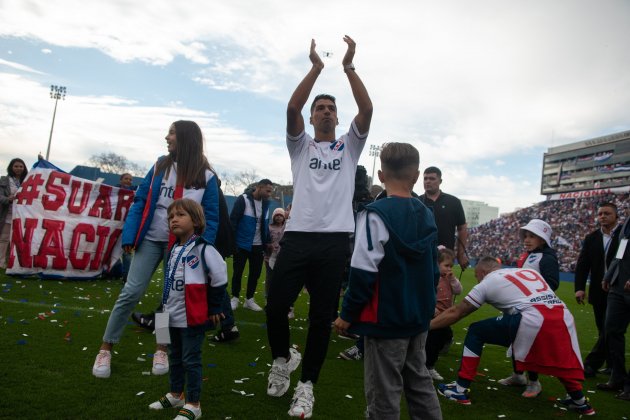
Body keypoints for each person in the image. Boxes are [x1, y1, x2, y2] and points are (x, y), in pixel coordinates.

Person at [265, 35, 373, 419]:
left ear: (337, 118)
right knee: (276, 306)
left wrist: (348, 66)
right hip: (297, 239)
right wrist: (316, 66)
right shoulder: (301, 146)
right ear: (312, 118)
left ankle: (307, 386)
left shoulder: (350, 146)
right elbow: (292, 105)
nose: (326, 112)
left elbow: (367, 107)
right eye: (320, 108)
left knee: (320, 319)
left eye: (331, 108)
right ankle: (282, 360)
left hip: (333, 243)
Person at [92, 120, 220, 379]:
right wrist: (130, 234)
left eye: (172, 133)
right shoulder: (160, 165)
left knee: (169, 299)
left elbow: (212, 217)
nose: (167, 137)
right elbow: (141, 199)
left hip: (183, 246)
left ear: (185, 138)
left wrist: (202, 252)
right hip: (151, 239)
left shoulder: (207, 177)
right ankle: (106, 348)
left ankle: (161, 347)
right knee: (131, 291)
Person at [334, 142, 442, 420]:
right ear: (416, 176)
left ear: (381, 176)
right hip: (418, 315)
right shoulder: (427, 213)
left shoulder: (374, 214)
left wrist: (347, 314)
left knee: (384, 390)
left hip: (386, 318)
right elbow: (433, 270)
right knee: (419, 382)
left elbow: (362, 271)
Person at [433, 257, 594, 416]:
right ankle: (580, 402)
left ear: (482, 272)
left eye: (476, 276)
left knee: (476, 331)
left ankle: (460, 389)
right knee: (557, 356)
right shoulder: (528, 272)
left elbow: (457, 312)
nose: (477, 280)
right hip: (562, 318)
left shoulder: (488, 281)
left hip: (532, 318)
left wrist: (427, 327)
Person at [148, 199, 227, 420]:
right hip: (167, 314)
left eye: (180, 215)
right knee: (173, 356)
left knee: (190, 359)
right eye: (171, 216)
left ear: (196, 219)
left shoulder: (204, 248)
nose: (174, 219)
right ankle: (176, 394)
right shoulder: (173, 248)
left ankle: (193, 403)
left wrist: (215, 307)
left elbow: (219, 278)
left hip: (191, 317)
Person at [498, 218, 560, 397]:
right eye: (526, 235)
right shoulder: (527, 255)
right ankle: (518, 376)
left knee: (530, 344)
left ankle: (534, 382)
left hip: (536, 309)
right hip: (521, 306)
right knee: (517, 340)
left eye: (532, 236)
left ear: (543, 239)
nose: (527, 239)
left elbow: (552, 283)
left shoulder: (547, 258)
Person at [575, 202, 620, 377]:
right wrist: (579, 288)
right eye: (600, 213)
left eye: (607, 213)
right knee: (603, 328)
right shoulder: (591, 238)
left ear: (616, 216)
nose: (603, 216)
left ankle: (591, 365)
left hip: (619, 289)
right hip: (598, 290)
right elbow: (582, 265)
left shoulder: (625, 236)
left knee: (610, 327)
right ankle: (611, 366)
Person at [229, 178, 273, 311]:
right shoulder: (243, 199)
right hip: (242, 244)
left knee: (255, 273)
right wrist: (232, 242)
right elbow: (233, 221)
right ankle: (235, 298)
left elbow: (265, 225)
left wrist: (268, 242)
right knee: (238, 272)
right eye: (268, 191)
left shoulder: (266, 205)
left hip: (258, 246)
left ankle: (249, 299)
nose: (269, 194)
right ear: (259, 187)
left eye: (271, 191)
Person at [599, 212, 630, 401]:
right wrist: (608, 275)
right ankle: (617, 377)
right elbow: (621, 252)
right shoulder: (627, 222)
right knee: (611, 331)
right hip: (618, 287)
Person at [419, 166, 469, 269]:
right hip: (422, 255)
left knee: (444, 285)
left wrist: (461, 254)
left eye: (432, 178)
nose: (428, 181)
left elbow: (462, 228)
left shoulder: (453, 202)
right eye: (425, 178)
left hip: (446, 256)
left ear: (440, 181)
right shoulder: (416, 201)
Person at [425, 247, 462, 381]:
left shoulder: (449, 279)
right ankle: (428, 366)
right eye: (446, 266)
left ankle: (427, 363)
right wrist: (432, 309)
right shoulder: (432, 278)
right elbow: (427, 295)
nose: (449, 269)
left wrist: (452, 280)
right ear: (437, 264)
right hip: (434, 315)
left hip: (445, 315)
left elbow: (458, 291)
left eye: (451, 266)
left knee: (444, 336)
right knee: (432, 340)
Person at [0, 158, 27, 269]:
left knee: (18, 240)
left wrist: (41, 161)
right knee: (4, 239)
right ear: (11, 167)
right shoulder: (4, 180)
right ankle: (1, 262)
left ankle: (13, 262)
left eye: (21, 166)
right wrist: (8, 199)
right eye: (16, 166)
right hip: (8, 214)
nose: (18, 168)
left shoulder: (27, 180)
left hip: (22, 216)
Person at [117, 173, 137, 282]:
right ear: (121, 180)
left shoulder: (135, 192)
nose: (128, 181)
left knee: (127, 252)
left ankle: (126, 277)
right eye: (126, 178)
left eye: (130, 179)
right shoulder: (114, 190)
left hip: (127, 225)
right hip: (114, 225)